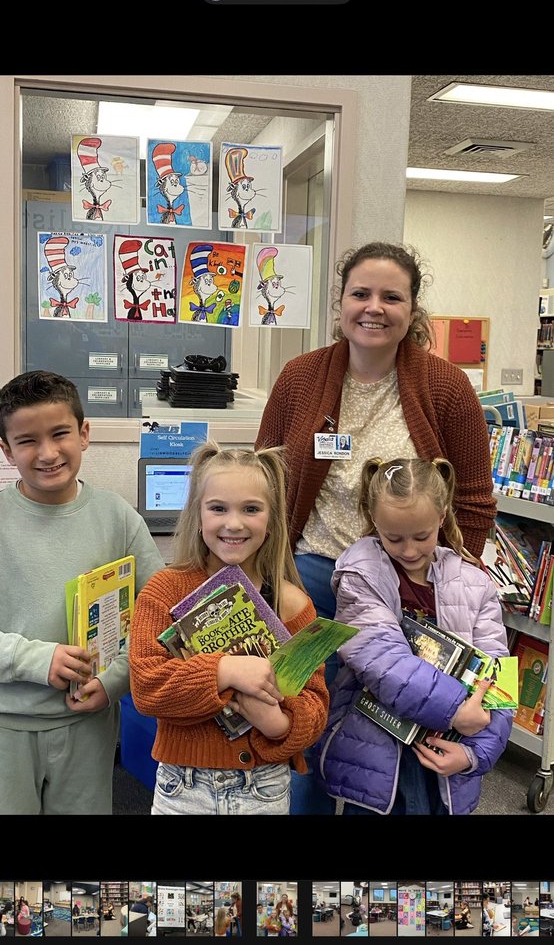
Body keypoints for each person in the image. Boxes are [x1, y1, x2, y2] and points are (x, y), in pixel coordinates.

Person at [255, 241, 495, 814]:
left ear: (413, 310)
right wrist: (265, 572)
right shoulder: (300, 377)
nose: (374, 307)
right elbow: (264, 478)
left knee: (396, 727)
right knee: (304, 718)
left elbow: (475, 500)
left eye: (393, 296)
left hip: (408, 584)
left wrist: (448, 580)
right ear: (339, 302)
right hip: (310, 579)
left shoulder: (446, 387)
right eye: (360, 293)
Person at [129, 442, 329, 815]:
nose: (233, 523)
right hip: (184, 788)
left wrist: (278, 723)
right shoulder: (164, 590)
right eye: (218, 508)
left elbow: (316, 703)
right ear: (198, 515)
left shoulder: (291, 603)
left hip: (264, 788)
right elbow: (146, 688)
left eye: (251, 509)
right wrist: (226, 670)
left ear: (270, 519)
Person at [0, 370, 164, 815]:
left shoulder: (118, 518)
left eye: (59, 434)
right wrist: (35, 659)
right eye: (28, 440)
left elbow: (156, 620)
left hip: (88, 723)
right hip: (6, 728)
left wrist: (114, 682)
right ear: (5, 449)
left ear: (84, 433)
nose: (48, 453)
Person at [315, 456, 512, 816]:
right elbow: (382, 660)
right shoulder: (361, 572)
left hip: (448, 759)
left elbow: (499, 677)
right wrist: (455, 710)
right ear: (374, 520)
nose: (408, 550)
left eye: (421, 536)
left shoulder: (474, 581)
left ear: (442, 516)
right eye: (394, 537)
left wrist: (475, 753)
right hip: (377, 751)